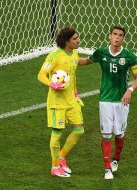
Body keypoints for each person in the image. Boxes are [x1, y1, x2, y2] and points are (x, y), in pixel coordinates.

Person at [79, 25, 137, 179]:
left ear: (123, 38)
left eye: (120, 35)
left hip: (122, 101)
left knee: (119, 134)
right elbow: (85, 61)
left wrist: (130, 90)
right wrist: (67, 57)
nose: (117, 37)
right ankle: (107, 168)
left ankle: (116, 159)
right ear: (109, 36)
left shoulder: (129, 56)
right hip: (105, 100)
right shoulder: (101, 52)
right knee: (106, 134)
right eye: (115, 34)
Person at [38, 27, 84, 178]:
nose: (78, 41)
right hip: (57, 102)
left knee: (79, 130)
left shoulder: (75, 53)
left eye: (77, 38)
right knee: (57, 134)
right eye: (75, 39)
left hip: (71, 99)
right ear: (66, 41)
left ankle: (62, 156)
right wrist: (52, 84)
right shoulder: (54, 56)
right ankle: (55, 166)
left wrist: (76, 93)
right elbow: (41, 75)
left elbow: (73, 74)